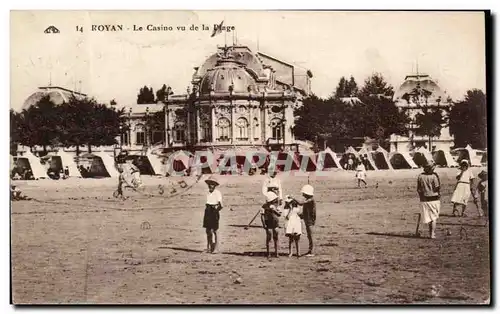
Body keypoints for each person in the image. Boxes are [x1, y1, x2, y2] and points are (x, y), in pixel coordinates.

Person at [417, 160, 441, 239]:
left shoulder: (420, 176)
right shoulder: (434, 176)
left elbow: (419, 189)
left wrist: (421, 197)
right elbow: (437, 187)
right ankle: (432, 234)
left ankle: (431, 233)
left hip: (424, 199)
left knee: (428, 217)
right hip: (434, 198)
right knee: (433, 218)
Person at [293, 184, 316, 257]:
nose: (303, 194)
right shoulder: (309, 200)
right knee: (309, 235)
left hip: (310, 220)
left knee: (310, 235)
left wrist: (293, 198)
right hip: (307, 219)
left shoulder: (310, 200)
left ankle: (311, 251)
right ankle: (310, 250)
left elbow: (300, 203)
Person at [203, 177, 223, 254]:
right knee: (208, 230)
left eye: (212, 184)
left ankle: (216, 248)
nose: (210, 185)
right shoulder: (207, 192)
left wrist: (215, 211)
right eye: (209, 184)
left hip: (214, 210)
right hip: (207, 210)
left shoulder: (217, 193)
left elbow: (221, 205)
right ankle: (209, 246)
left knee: (215, 230)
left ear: (215, 185)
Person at [261, 191, 282, 258]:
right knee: (269, 238)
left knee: (276, 237)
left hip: (275, 223)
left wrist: (274, 210)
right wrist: (264, 224)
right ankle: (268, 253)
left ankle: (276, 252)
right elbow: (262, 216)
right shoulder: (264, 206)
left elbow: (279, 214)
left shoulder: (276, 206)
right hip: (268, 223)